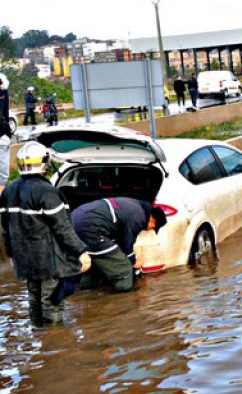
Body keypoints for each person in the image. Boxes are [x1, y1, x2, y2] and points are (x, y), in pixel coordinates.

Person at [0, 141, 91, 324]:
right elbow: (62, 227)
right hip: (48, 258)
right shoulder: (47, 191)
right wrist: (81, 252)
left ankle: (39, 337)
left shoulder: (9, 190)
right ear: (44, 162)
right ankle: (54, 342)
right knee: (52, 301)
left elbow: (6, 228)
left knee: (34, 298)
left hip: (24, 257)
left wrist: (11, 252)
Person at [74, 197, 167, 293]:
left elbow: (120, 240)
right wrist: (134, 261)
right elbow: (127, 243)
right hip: (91, 227)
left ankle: (84, 289)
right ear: (153, 221)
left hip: (76, 218)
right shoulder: (139, 217)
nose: (149, 230)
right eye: (153, 228)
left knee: (103, 260)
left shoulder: (135, 206)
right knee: (124, 269)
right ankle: (119, 301)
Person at [0, 78, 10, 193]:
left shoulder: (3, 91)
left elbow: (6, 113)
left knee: (3, 176)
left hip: (2, 136)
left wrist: (7, 135)